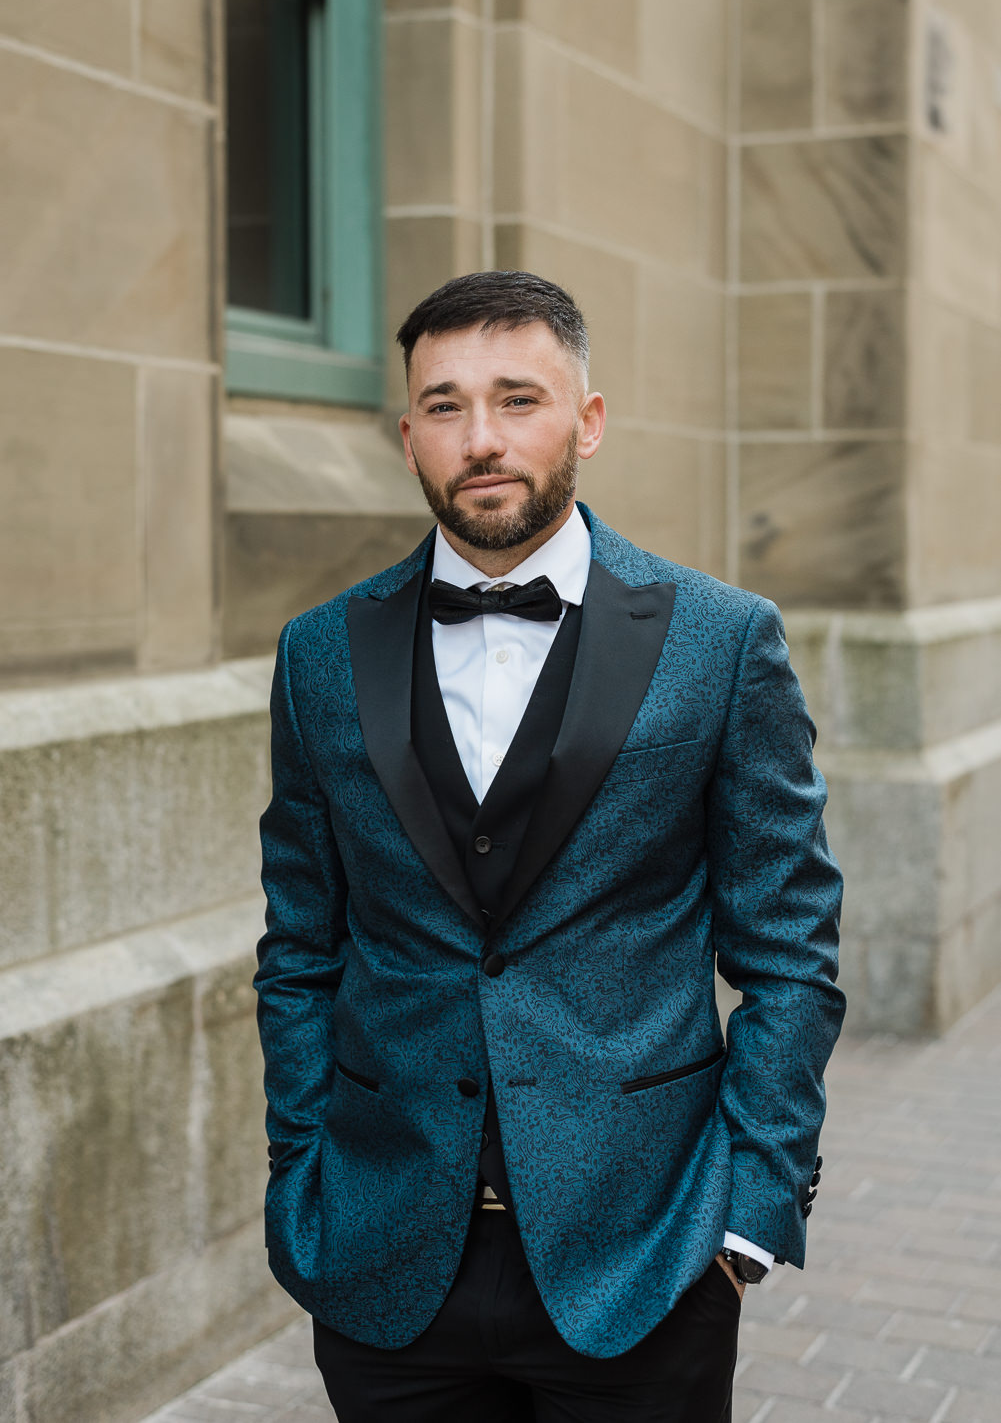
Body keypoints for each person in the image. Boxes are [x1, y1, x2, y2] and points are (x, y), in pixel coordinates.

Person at [255, 270, 845, 1422]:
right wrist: (302, 1176)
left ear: (586, 421)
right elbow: (299, 945)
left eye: (517, 398)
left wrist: (749, 1210)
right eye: (443, 405)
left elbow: (787, 948)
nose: (480, 438)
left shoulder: (722, 642)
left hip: (645, 1259)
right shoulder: (319, 652)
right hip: (385, 1261)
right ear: (406, 438)